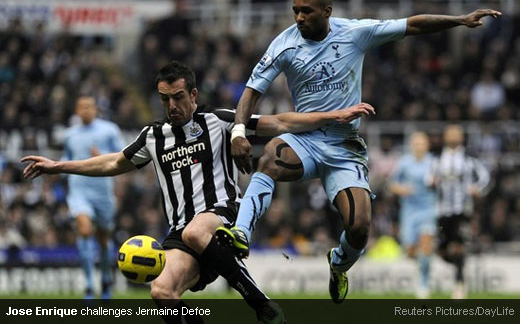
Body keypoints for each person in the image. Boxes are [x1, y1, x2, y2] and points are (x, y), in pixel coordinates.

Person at [22, 61, 375, 323]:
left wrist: (333, 116)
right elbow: (114, 163)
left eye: (178, 97)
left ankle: (259, 302)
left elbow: (280, 122)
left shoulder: (220, 121)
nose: (172, 106)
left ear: (192, 95)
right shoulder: (153, 137)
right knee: (161, 292)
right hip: (181, 234)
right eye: (165, 100)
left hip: (221, 215)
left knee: (196, 230)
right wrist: (58, 166)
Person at [217, 0, 501, 303]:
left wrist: (459, 20)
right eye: (295, 10)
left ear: (327, 12)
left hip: (344, 146)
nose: (298, 17)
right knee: (270, 157)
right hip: (305, 139)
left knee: (360, 227)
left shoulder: (356, 33)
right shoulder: (284, 45)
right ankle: (241, 233)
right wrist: (239, 132)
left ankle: (338, 265)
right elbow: (251, 91)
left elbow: (413, 23)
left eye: (306, 11)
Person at [63, 96, 125, 299]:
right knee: (84, 229)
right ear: (77, 110)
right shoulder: (70, 135)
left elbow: (123, 156)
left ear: (96, 109)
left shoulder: (109, 130)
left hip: (103, 192)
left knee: (104, 239)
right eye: (82, 107)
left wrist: (102, 154)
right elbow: (67, 158)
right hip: (79, 190)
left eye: (89, 107)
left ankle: (106, 279)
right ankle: (89, 285)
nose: (86, 110)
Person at [430, 124, 490, 299]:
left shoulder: (469, 157)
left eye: (457, 133)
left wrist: (477, 189)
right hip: (441, 211)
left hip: (462, 209)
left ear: (462, 137)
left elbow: (486, 177)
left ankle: (459, 283)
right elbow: (429, 178)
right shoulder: (438, 158)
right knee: (442, 250)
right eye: (451, 133)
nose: (454, 136)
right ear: (445, 136)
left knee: (457, 247)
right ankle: (460, 267)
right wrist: (431, 183)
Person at [389, 132, 436, 298]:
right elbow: (392, 184)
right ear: (411, 145)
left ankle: (424, 283)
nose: (418, 146)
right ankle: (424, 264)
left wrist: (437, 183)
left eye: (421, 143)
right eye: (415, 143)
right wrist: (402, 189)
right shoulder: (404, 163)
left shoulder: (434, 163)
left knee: (425, 243)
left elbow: (442, 183)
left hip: (429, 209)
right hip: (409, 211)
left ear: (427, 145)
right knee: (409, 249)